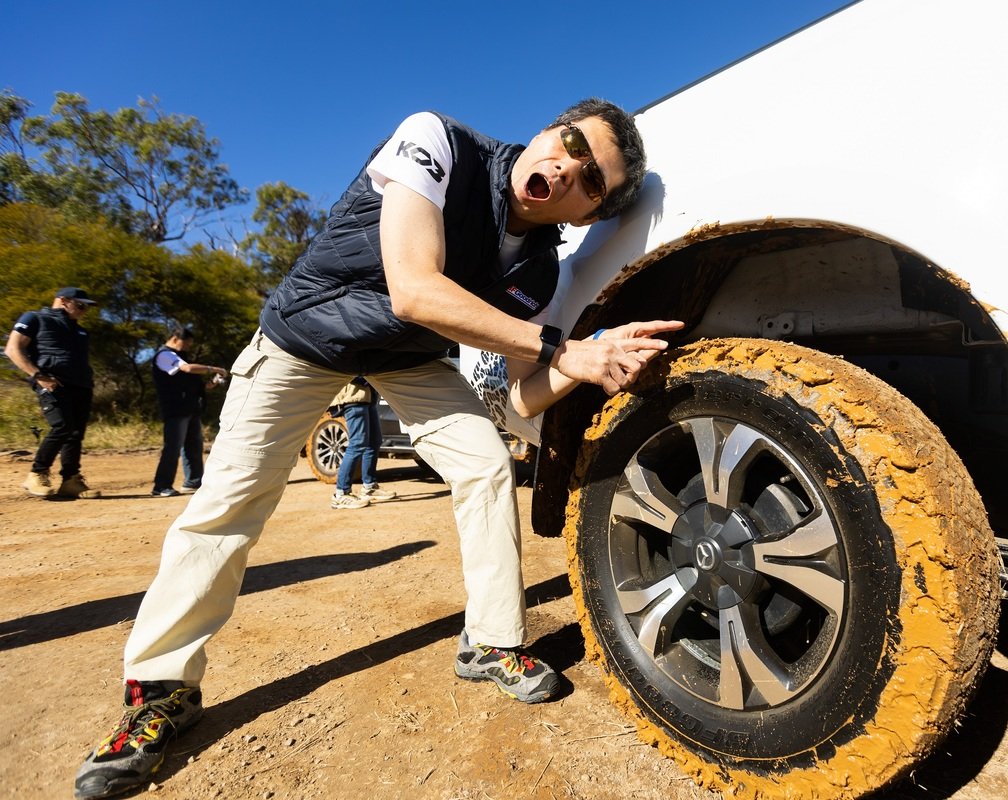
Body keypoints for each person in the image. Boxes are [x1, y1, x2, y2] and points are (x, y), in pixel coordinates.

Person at [75, 97, 683, 800]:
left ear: (585, 216)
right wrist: (565, 346)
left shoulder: (539, 275)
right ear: (549, 127)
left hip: (406, 360)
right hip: (306, 336)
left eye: (591, 181)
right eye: (571, 143)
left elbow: (519, 402)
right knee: (230, 501)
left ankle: (489, 641)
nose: (566, 168)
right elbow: (415, 291)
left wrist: (588, 362)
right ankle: (160, 690)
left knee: (485, 462)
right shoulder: (437, 142)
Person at [5, 287, 102, 499]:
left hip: (82, 385)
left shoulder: (79, 330)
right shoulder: (35, 318)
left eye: (86, 307)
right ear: (63, 300)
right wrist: (37, 375)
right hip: (52, 382)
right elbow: (13, 349)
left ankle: (71, 480)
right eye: (80, 305)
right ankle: (37, 473)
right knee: (62, 426)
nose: (84, 310)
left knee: (75, 433)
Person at [150, 327, 229, 497]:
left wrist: (212, 382)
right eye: (187, 343)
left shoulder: (181, 358)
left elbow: (198, 384)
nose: (188, 347)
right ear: (175, 338)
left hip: (191, 408)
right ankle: (161, 486)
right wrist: (213, 368)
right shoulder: (164, 355)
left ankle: (193, 482)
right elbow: (187, 369)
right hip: (175, 408)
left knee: (194, 446)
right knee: (173, 447)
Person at [329, 376, 397, 509]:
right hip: (353, 397)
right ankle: (341, 493)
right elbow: (345, 367)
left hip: (368, 397)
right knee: (357, 444)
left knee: (374, 441)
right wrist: (368, 376)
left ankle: (369, 487)